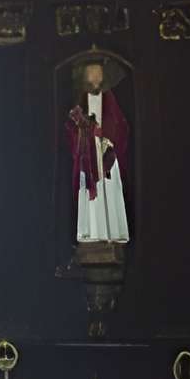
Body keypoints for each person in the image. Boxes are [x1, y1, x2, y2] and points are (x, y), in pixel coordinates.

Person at [66, 57, 130, 255]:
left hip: (106, 155)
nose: (95, 80)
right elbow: (70, 128)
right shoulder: (80, 102)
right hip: (88, 156)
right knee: (90, 194)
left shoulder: (110, 100)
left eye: (98, 76)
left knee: (108, 193)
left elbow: (121, 126)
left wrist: (108, 139)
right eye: (91, 76)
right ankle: (91, 234)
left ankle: (112, 233)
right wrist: (84, 134)